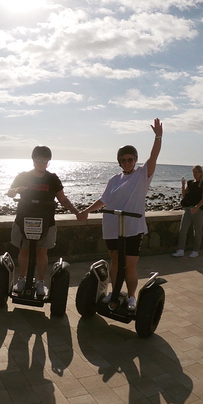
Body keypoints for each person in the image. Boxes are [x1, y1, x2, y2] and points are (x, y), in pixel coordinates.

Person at [77, 119, 163, 312]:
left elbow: (154, 156)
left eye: (130, 159)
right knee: (115, 261)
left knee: (130, 265)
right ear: (119, 162)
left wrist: (158, 137)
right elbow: (103, 200)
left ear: (135, 160)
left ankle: (131, 296)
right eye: (123, 160)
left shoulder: (142, 175)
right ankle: (114, 293)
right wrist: (85, 212)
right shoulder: (114, 179)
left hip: (133, 227)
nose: (126, 163)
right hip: (112, 226)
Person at [7, 146, 81, 296]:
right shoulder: (23, 176)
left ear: (48, 162)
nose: (42, 163)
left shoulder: (52, 178)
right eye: (39, 160)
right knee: (24, 250)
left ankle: (40, 282)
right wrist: (15, 191)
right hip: (24, 219)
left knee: (42, 252)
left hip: (46, 222)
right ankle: (22, 279)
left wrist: (76, 212)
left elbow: (62, 199)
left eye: (45, 161)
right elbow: (9, 193)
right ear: (33, 160)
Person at [172, 165, 203, 258]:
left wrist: (196, 207)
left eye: (196, 172)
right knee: (183, 229)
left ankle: (195, 250)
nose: (194, 174)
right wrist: (183, 185)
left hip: (198, 210)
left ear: (200, 173)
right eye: (193, 172)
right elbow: (184, 195)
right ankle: (181, 250)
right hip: (188, 209)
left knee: (197, 231)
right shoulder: (190, 183)